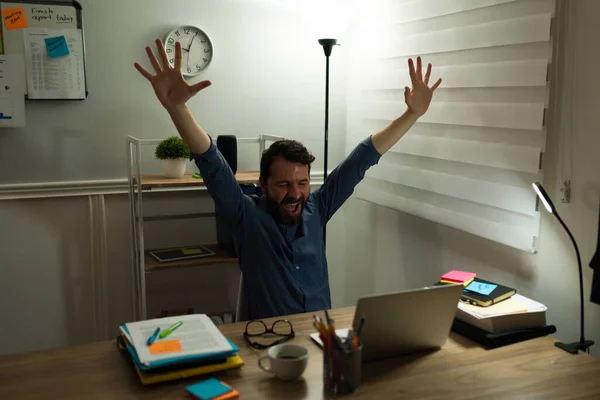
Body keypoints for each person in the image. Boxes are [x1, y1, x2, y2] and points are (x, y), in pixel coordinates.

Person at [134, 39, 442, 320]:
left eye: (302, 183)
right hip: (265, 344)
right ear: (263, 185)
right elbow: (212, 163)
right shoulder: (247, 216)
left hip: (322, 338)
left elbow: (361, 158)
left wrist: (411, 115)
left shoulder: (319, 207)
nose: (295, 193)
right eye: (283, 185)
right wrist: (178, 108)